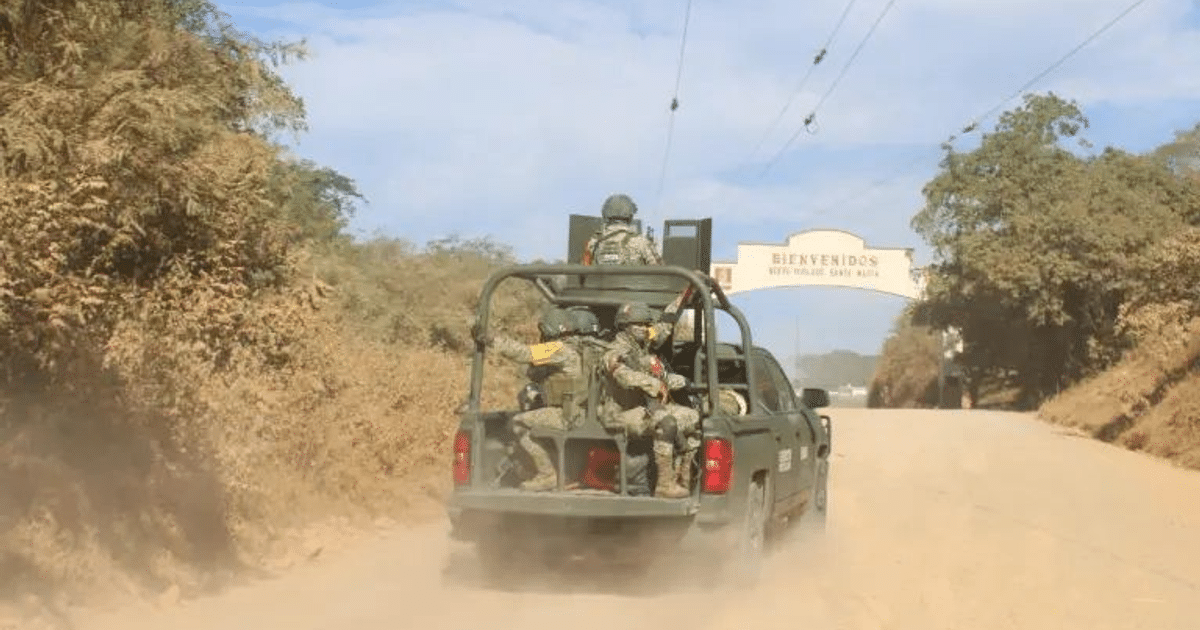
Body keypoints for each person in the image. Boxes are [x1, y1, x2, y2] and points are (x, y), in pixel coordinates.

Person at [599, 289, 699, 499]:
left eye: (647, 324)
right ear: (625, 327)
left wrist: (684, 295)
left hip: (641, 409)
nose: (646, 329)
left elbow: (664, 325)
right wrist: (653, 384)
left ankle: (684, 480)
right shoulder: (615, 351)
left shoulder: (642, 345)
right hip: (618, 413)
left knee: (692, 417)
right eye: (640, 325)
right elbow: (622, 375)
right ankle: (664, 484)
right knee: (666, 422)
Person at [473, 308, 586, 491]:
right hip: (581, 411)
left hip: (567, 413)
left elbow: (525, 353)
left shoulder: (560, 349)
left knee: (519, 423)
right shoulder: (582, 348)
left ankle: (547, 474)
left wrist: (491, 340)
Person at [581, 193, 664, 266]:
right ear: (630, 217)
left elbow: (583, 273)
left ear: (605, 215)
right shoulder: (642, 243)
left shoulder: (593, 244)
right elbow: (661, 274)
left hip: (602, 284)